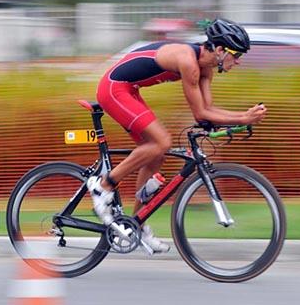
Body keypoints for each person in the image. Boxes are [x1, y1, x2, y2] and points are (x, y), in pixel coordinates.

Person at [87, 18, 267, 253]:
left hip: (129, 90)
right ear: (221, 50)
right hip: (114, 88)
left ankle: (136, 225)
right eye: (237, 55)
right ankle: (104, 186)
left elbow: (207, 114)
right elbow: (201, 111)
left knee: (157, 155)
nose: (238, 62)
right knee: (162, 142)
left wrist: (237, 120)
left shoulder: (205, 70)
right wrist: (243, 118)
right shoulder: (188, 62)